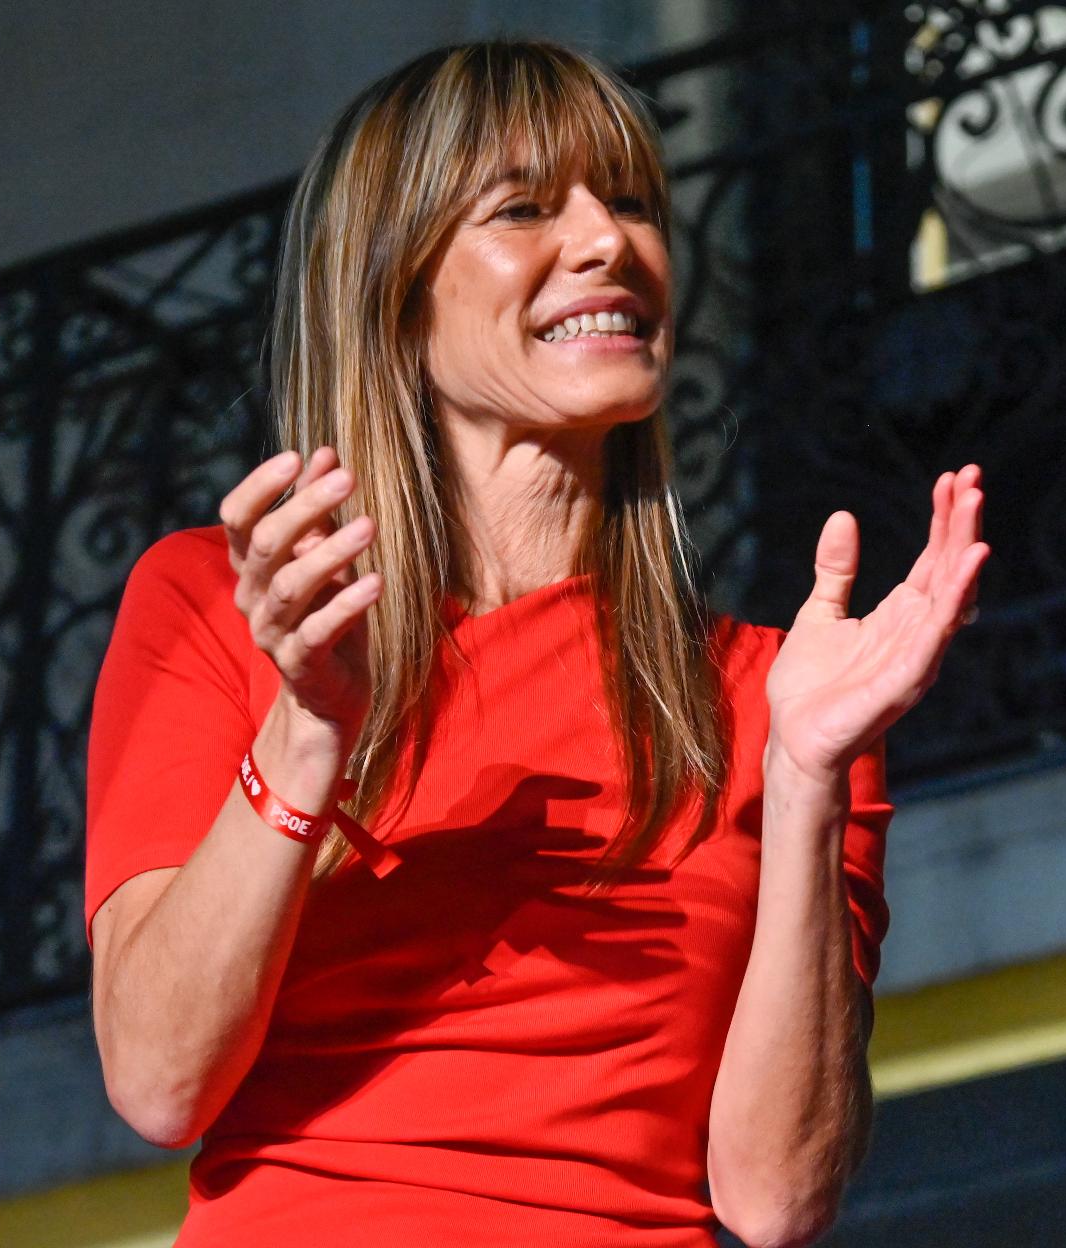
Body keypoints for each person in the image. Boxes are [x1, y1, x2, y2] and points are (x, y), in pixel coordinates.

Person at [84, 41, 988, 1248]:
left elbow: (775, 1198)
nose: (608, 240)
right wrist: (308, 734)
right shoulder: (229, 604)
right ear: (397, 292)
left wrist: (810, 775)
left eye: (630, 201)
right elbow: (157, 1080)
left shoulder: (783, 694)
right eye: (523, 209)